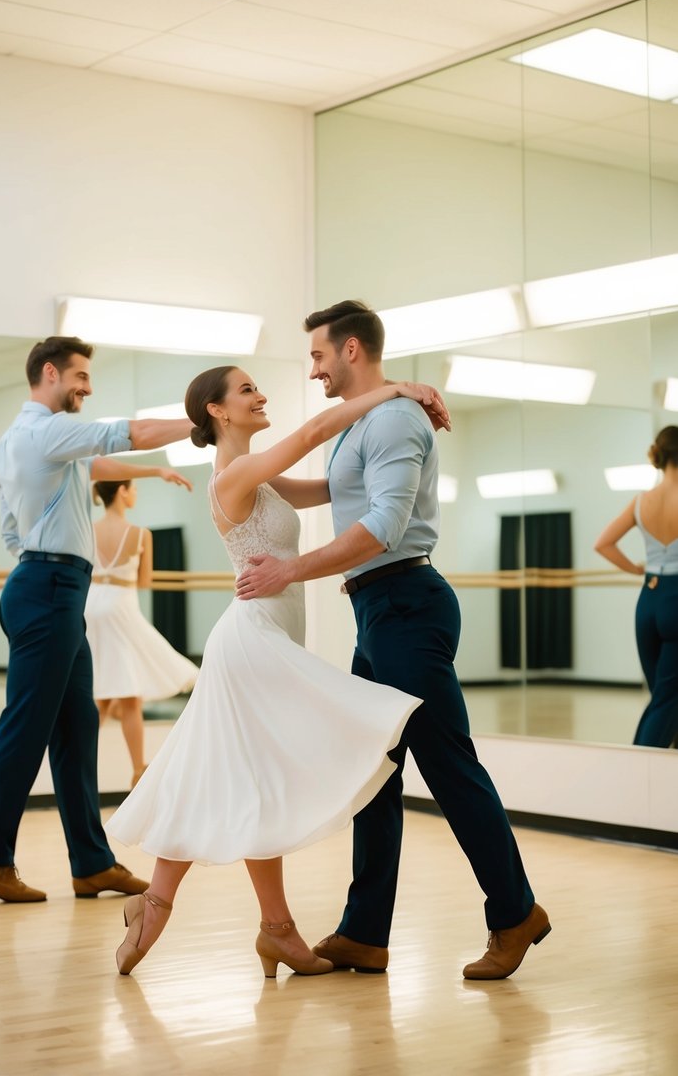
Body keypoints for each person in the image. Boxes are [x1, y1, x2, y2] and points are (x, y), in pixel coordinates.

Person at [236, 300, 550, 981]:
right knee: (372, 775)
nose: (313, 369)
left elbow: (380, 526)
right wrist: (233, 459)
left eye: (318, 356)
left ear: (351, 350)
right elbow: (322, 489)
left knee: (450, 769)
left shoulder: (397, 421)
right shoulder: (364, 424)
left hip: (407, 604)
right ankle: (364, 933)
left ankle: (514, 913)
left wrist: (289, 568)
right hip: (377, 612)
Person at [104, 366, 447, 977]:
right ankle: (235, 921)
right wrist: (396, 390)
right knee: (305, 749)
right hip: (253, 640)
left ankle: (224, 920)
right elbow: (316, 427)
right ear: (218, 411)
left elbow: (330, 487)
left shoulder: (260, 479)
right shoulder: (233, 477)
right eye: (247, 390)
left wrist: (397, 457)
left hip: (265, 634)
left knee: (234, 779)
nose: (260, 396)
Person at [0, 335, 194, 904]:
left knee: (75, 728)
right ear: (50, 373)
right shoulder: (49, 430)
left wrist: (155, 472)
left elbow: (92, 469)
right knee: (26, 727)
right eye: (81, 377)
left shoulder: (17, 441)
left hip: (47, 585)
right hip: (49, 588)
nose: (88, 388)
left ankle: (90, 862)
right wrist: (203, 419)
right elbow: (128, 433)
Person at [86, 478, 197, 788]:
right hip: (120, 606)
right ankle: (138, 769)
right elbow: (145, 580)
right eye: (133, 488)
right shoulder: (140, 534)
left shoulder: (88, 530)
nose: (136, 493)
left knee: (103, 691)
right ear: (121, 491)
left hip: (90, 606)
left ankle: (81, 764)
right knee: (128, 693)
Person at [594, 425, 678, 748]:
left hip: (648, 602)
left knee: (663, 694)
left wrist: (636, 569)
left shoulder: (642, 501)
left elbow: (603, 543)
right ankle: (638, 768)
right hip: (675, 603)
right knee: (666, 700)